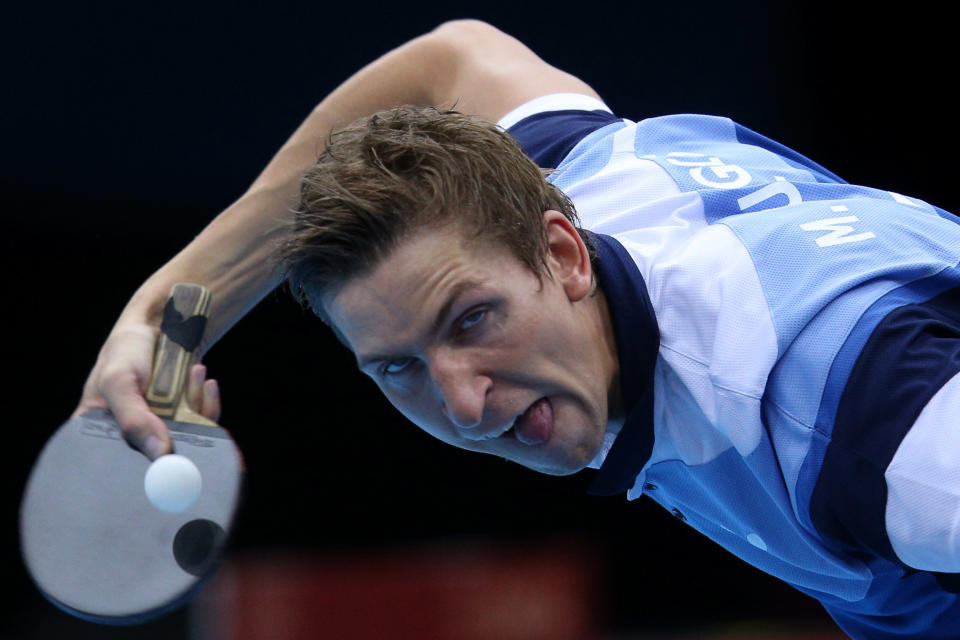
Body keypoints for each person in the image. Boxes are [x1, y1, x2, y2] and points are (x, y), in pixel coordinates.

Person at [74, 19, 960, 639]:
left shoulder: (859, 429)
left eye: (472, 319)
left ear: (565, 256)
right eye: (397, 370)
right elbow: (449, 57)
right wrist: (167, 314)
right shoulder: (588, 172)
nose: (462, 404)